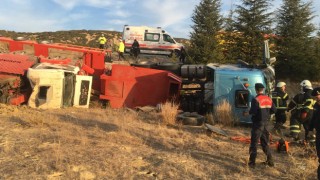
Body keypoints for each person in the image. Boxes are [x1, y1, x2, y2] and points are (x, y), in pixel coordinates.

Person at [248, 83, 276, 168]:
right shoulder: (269, 99)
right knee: (265, 143)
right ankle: (270, 162)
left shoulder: (256, 99)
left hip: (258, 124)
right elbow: (274, 110)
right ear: (263, 89)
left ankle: (252, 163)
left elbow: (253, 112)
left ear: (256, 89)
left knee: (254, 143)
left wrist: (247, 113)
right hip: (266, 123)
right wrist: (267, 114)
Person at [309, 87, 320, 179]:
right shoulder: (316, 105)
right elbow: (313, 118)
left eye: (318, 96)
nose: (317, 98)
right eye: (316, 97)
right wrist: (310, 129)